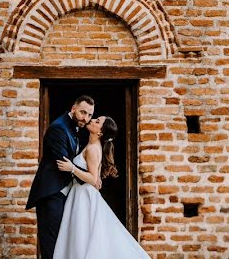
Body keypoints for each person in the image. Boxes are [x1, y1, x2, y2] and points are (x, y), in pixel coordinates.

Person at [53, 115, 149, 258]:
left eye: (97, 121)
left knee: (81, 237)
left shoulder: (92, 149)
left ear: (100, 132)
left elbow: (93, 179)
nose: (92, 120)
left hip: (83, 196)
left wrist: (71, 168)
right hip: (80, 193)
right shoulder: (91, 146)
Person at [26, 95, 96, 259]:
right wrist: (91, 177)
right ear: (73, 108)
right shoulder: (59, 128)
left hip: (63, 194)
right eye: (83, 112)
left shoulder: (75, 127)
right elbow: (63, 163)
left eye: (90, 115)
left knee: (61, 243)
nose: (86, 118)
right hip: (52, 193)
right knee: (52, 244)